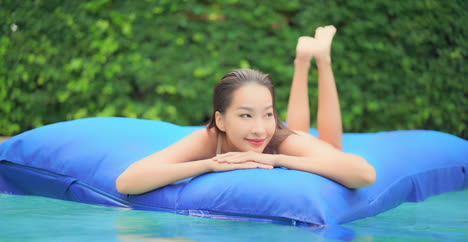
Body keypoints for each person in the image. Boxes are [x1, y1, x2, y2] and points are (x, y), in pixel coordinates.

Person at [116, 25, 376, 195]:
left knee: (323, 144)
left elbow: (364, 174)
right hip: (230, 150)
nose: (259, 129)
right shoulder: (209, 140)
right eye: (245, 115)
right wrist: (209, 164)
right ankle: (303, 59)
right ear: (221, 119)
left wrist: (274, 159)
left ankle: (318, 59)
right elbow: (127, 182)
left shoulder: (280, 141)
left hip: (292, 143)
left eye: (268, 114)